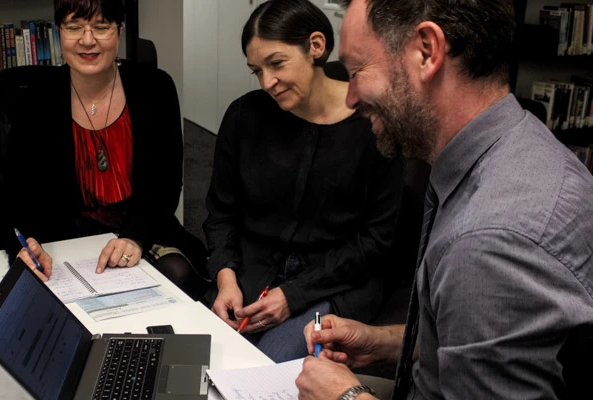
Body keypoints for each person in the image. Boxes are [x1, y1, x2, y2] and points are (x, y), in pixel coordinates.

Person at [298, 0, 593, 399]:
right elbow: (479, 338)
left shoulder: (490, 242)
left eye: (357, 71)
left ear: (427, 52)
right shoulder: (520, 145)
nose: (350, 97)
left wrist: (347, 398)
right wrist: (384, 343)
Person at [204, 0, 404, 363]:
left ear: (316, 46)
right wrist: (225, 278)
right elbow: (221, 213)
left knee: (268, 368)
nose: (267, 82)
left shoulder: (373, 126)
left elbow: (376, 241)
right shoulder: (244, 117)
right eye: (256, 70)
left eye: (276, 64)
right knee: (204, 358)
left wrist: (293, 295)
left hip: (335, 281)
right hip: (255, 270)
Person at [0, 0, 208, 298]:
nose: (87, 40)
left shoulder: (155, 88)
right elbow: (17, 195)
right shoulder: (35, 99)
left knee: (175, 278)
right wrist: (26, 246)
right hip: (62, 242)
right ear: (59, 32)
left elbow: (165, 183)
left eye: (101, 27)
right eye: (74, 27)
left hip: (139, 229)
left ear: (119, 32)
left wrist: (134, 239)